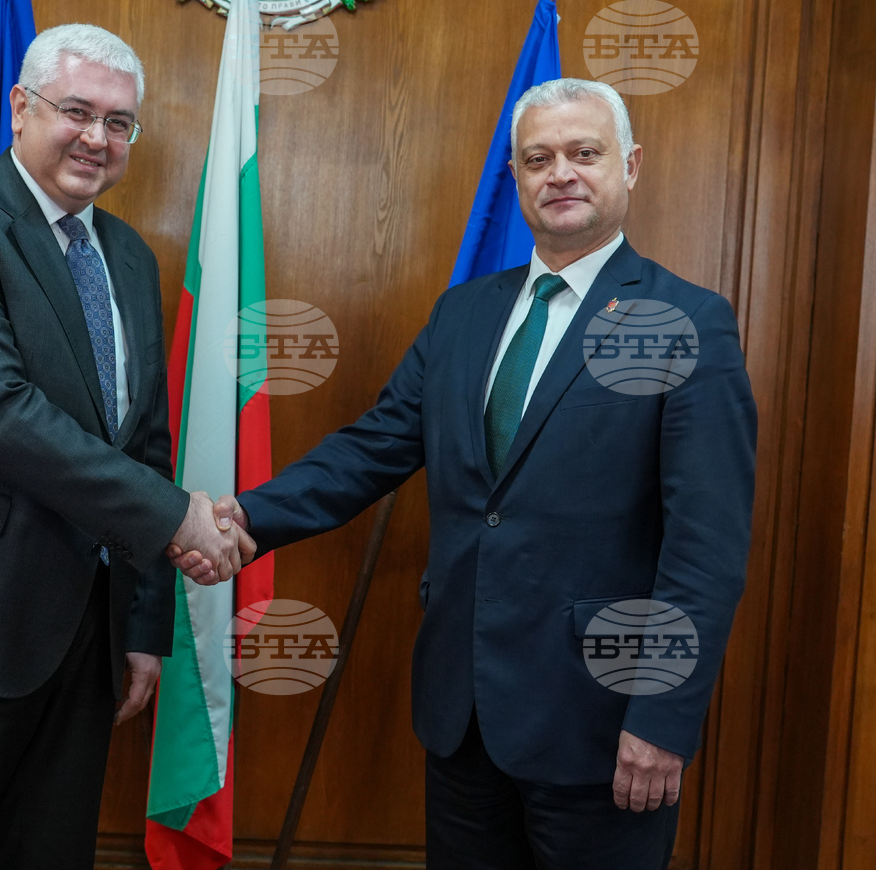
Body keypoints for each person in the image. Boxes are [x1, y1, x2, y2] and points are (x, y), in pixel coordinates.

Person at [180, 79, 756, 868]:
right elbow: (374, 446)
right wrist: (247, 518)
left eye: (584, 153)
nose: (560, 173)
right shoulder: (464, 313)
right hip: (462, 714)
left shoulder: (686, 322)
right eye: (538, 159)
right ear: (515, 178)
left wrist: (661, 718)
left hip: (600, 721)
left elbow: (706, 548)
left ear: (629, 166)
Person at [0, 23, 252, 870]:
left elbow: (146, 445)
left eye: (119, 122)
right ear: (20, 107)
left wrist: (142, 624)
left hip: (84, 639)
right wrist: (178, 518)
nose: (97, 137)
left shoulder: (130, 258)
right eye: (77, 111)